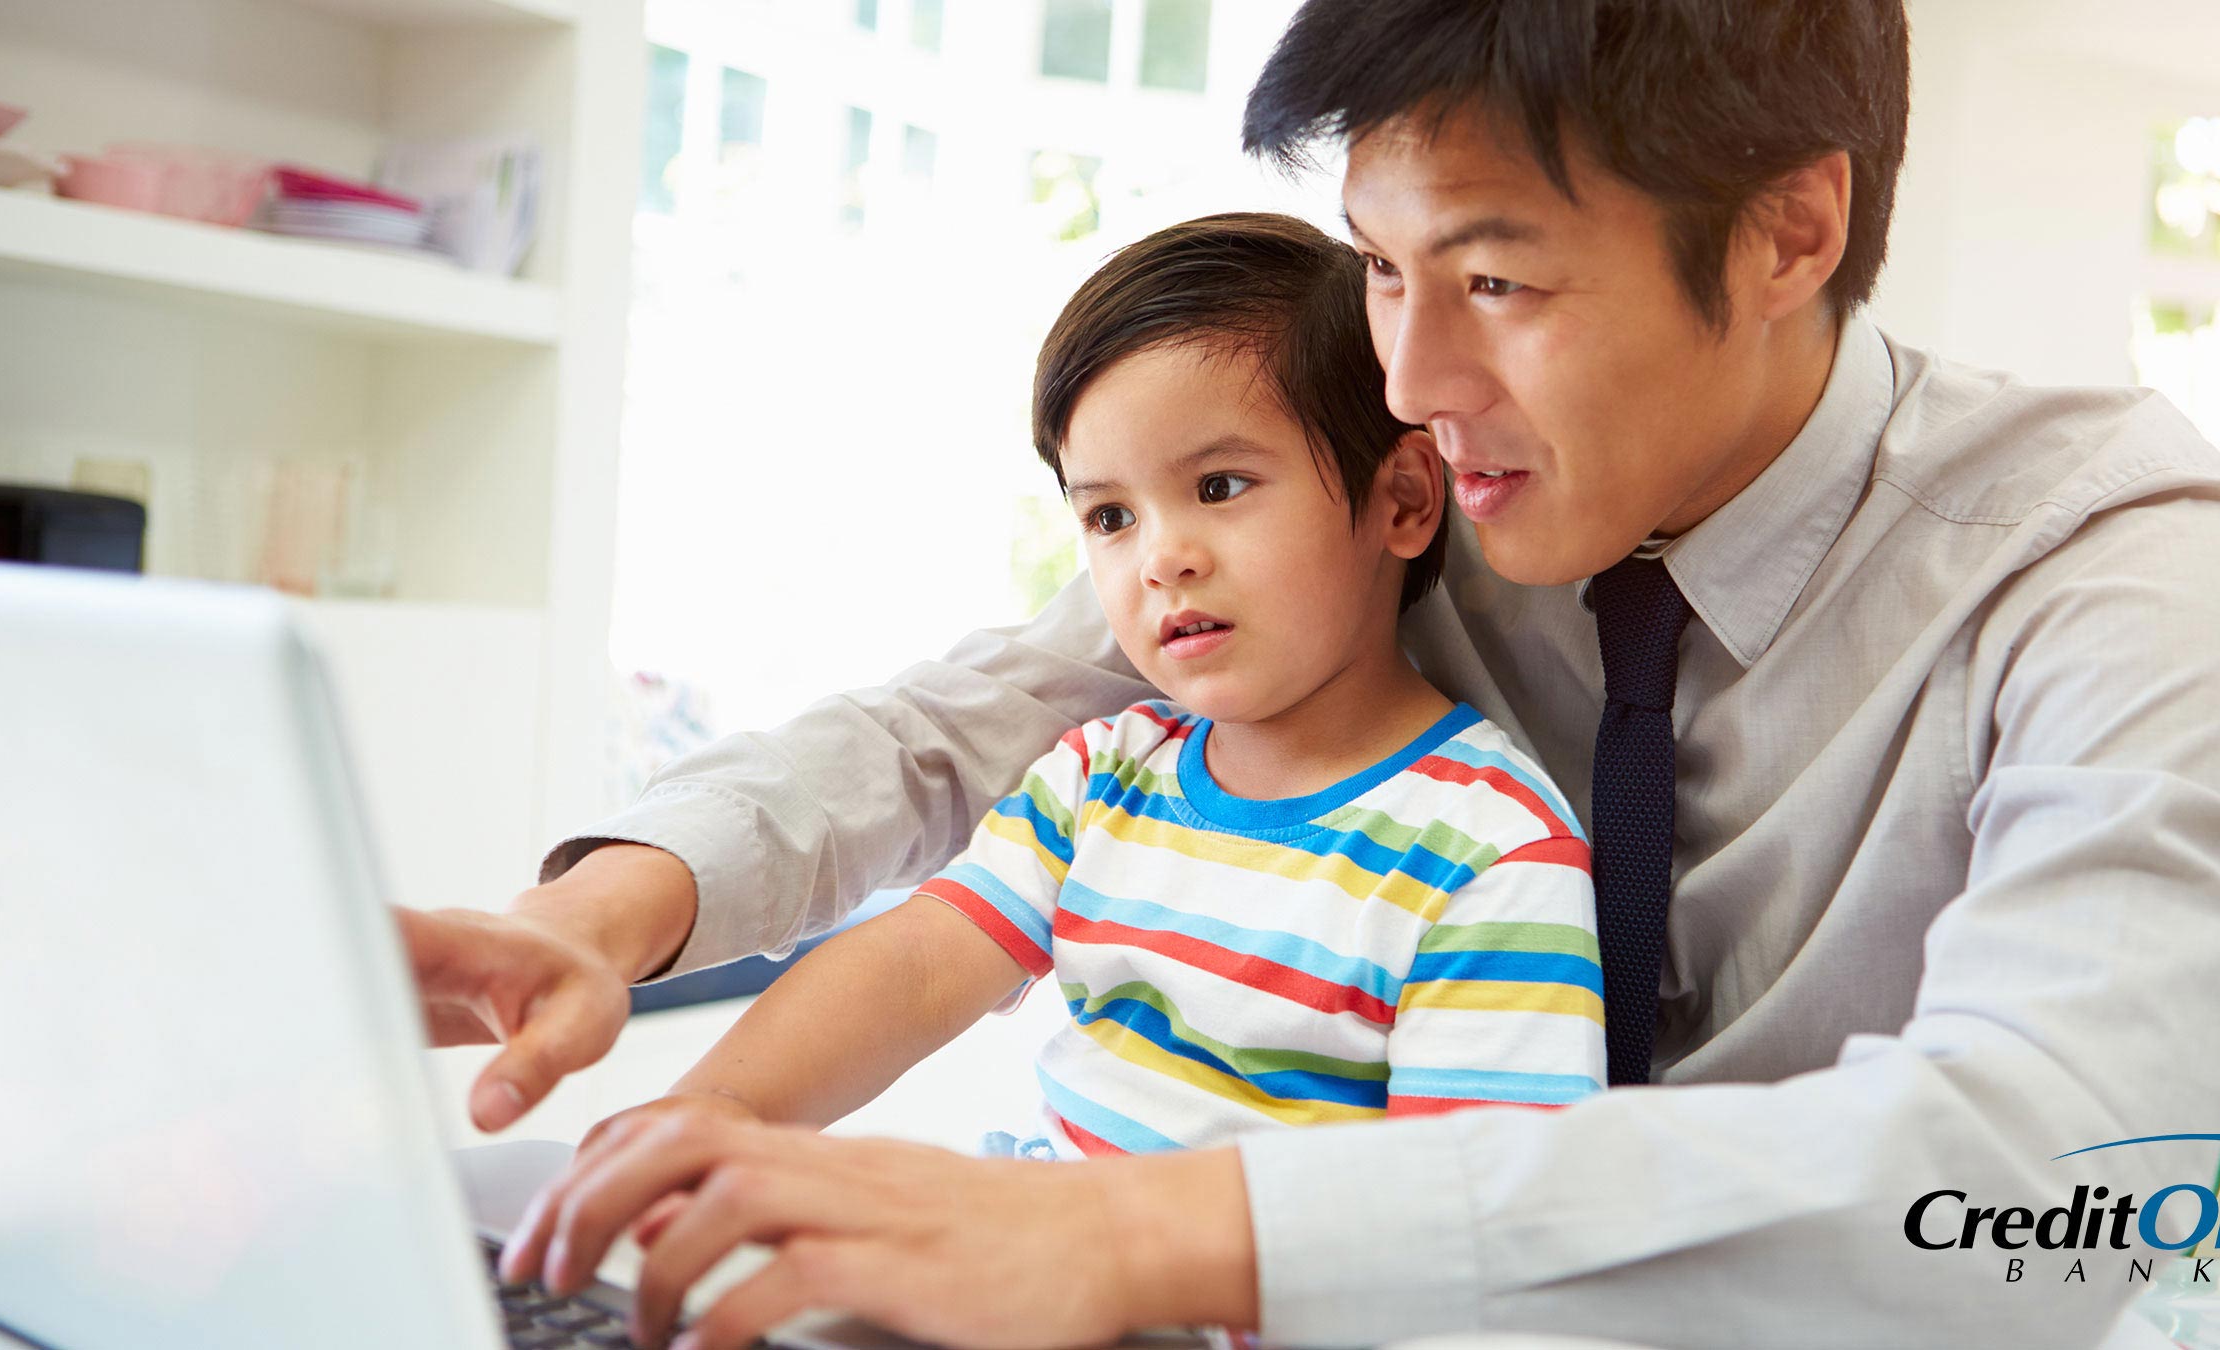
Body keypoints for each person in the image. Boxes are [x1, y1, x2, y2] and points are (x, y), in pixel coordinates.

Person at [408, 2, 2220, 1346]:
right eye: (1382, 272)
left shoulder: (2115, 555)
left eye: (1497, 281)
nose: (1409, 380)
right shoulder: (1409, 491)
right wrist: (616, 908)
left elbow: (2057, 1177)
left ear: (1795, 229)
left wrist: (1150, 1230)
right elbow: (965, 726)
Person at [532, 214, 1604, 1203]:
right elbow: (913, 966)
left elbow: (1477, 1228)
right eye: (1109, 516)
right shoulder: (1102, 775)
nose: (1163, 559)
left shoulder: (1493, 852)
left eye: (1221, 487)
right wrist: (716, 1112)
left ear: (1404, 499)